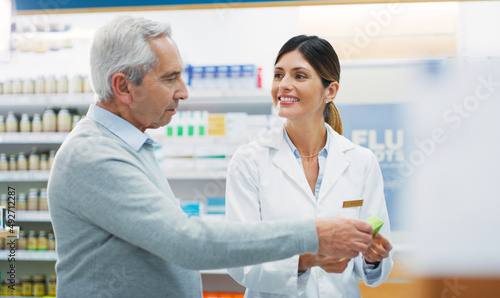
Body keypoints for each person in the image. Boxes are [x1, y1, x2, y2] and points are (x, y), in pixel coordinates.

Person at [47, 17, 375, 297]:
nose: (183, 91)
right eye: (169, 77)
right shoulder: (93, 155)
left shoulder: (131, 145)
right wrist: (314, 235)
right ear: (123, 87)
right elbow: (185, 241)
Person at [225, 35, 394, 298]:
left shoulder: (361, 162)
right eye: (278, 75)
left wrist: (373, 258)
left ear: (330, 91)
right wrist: (304, 261)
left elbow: (371, 271)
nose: (284, 85)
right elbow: (239, 260)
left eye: (299, 76)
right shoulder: (249, 161)